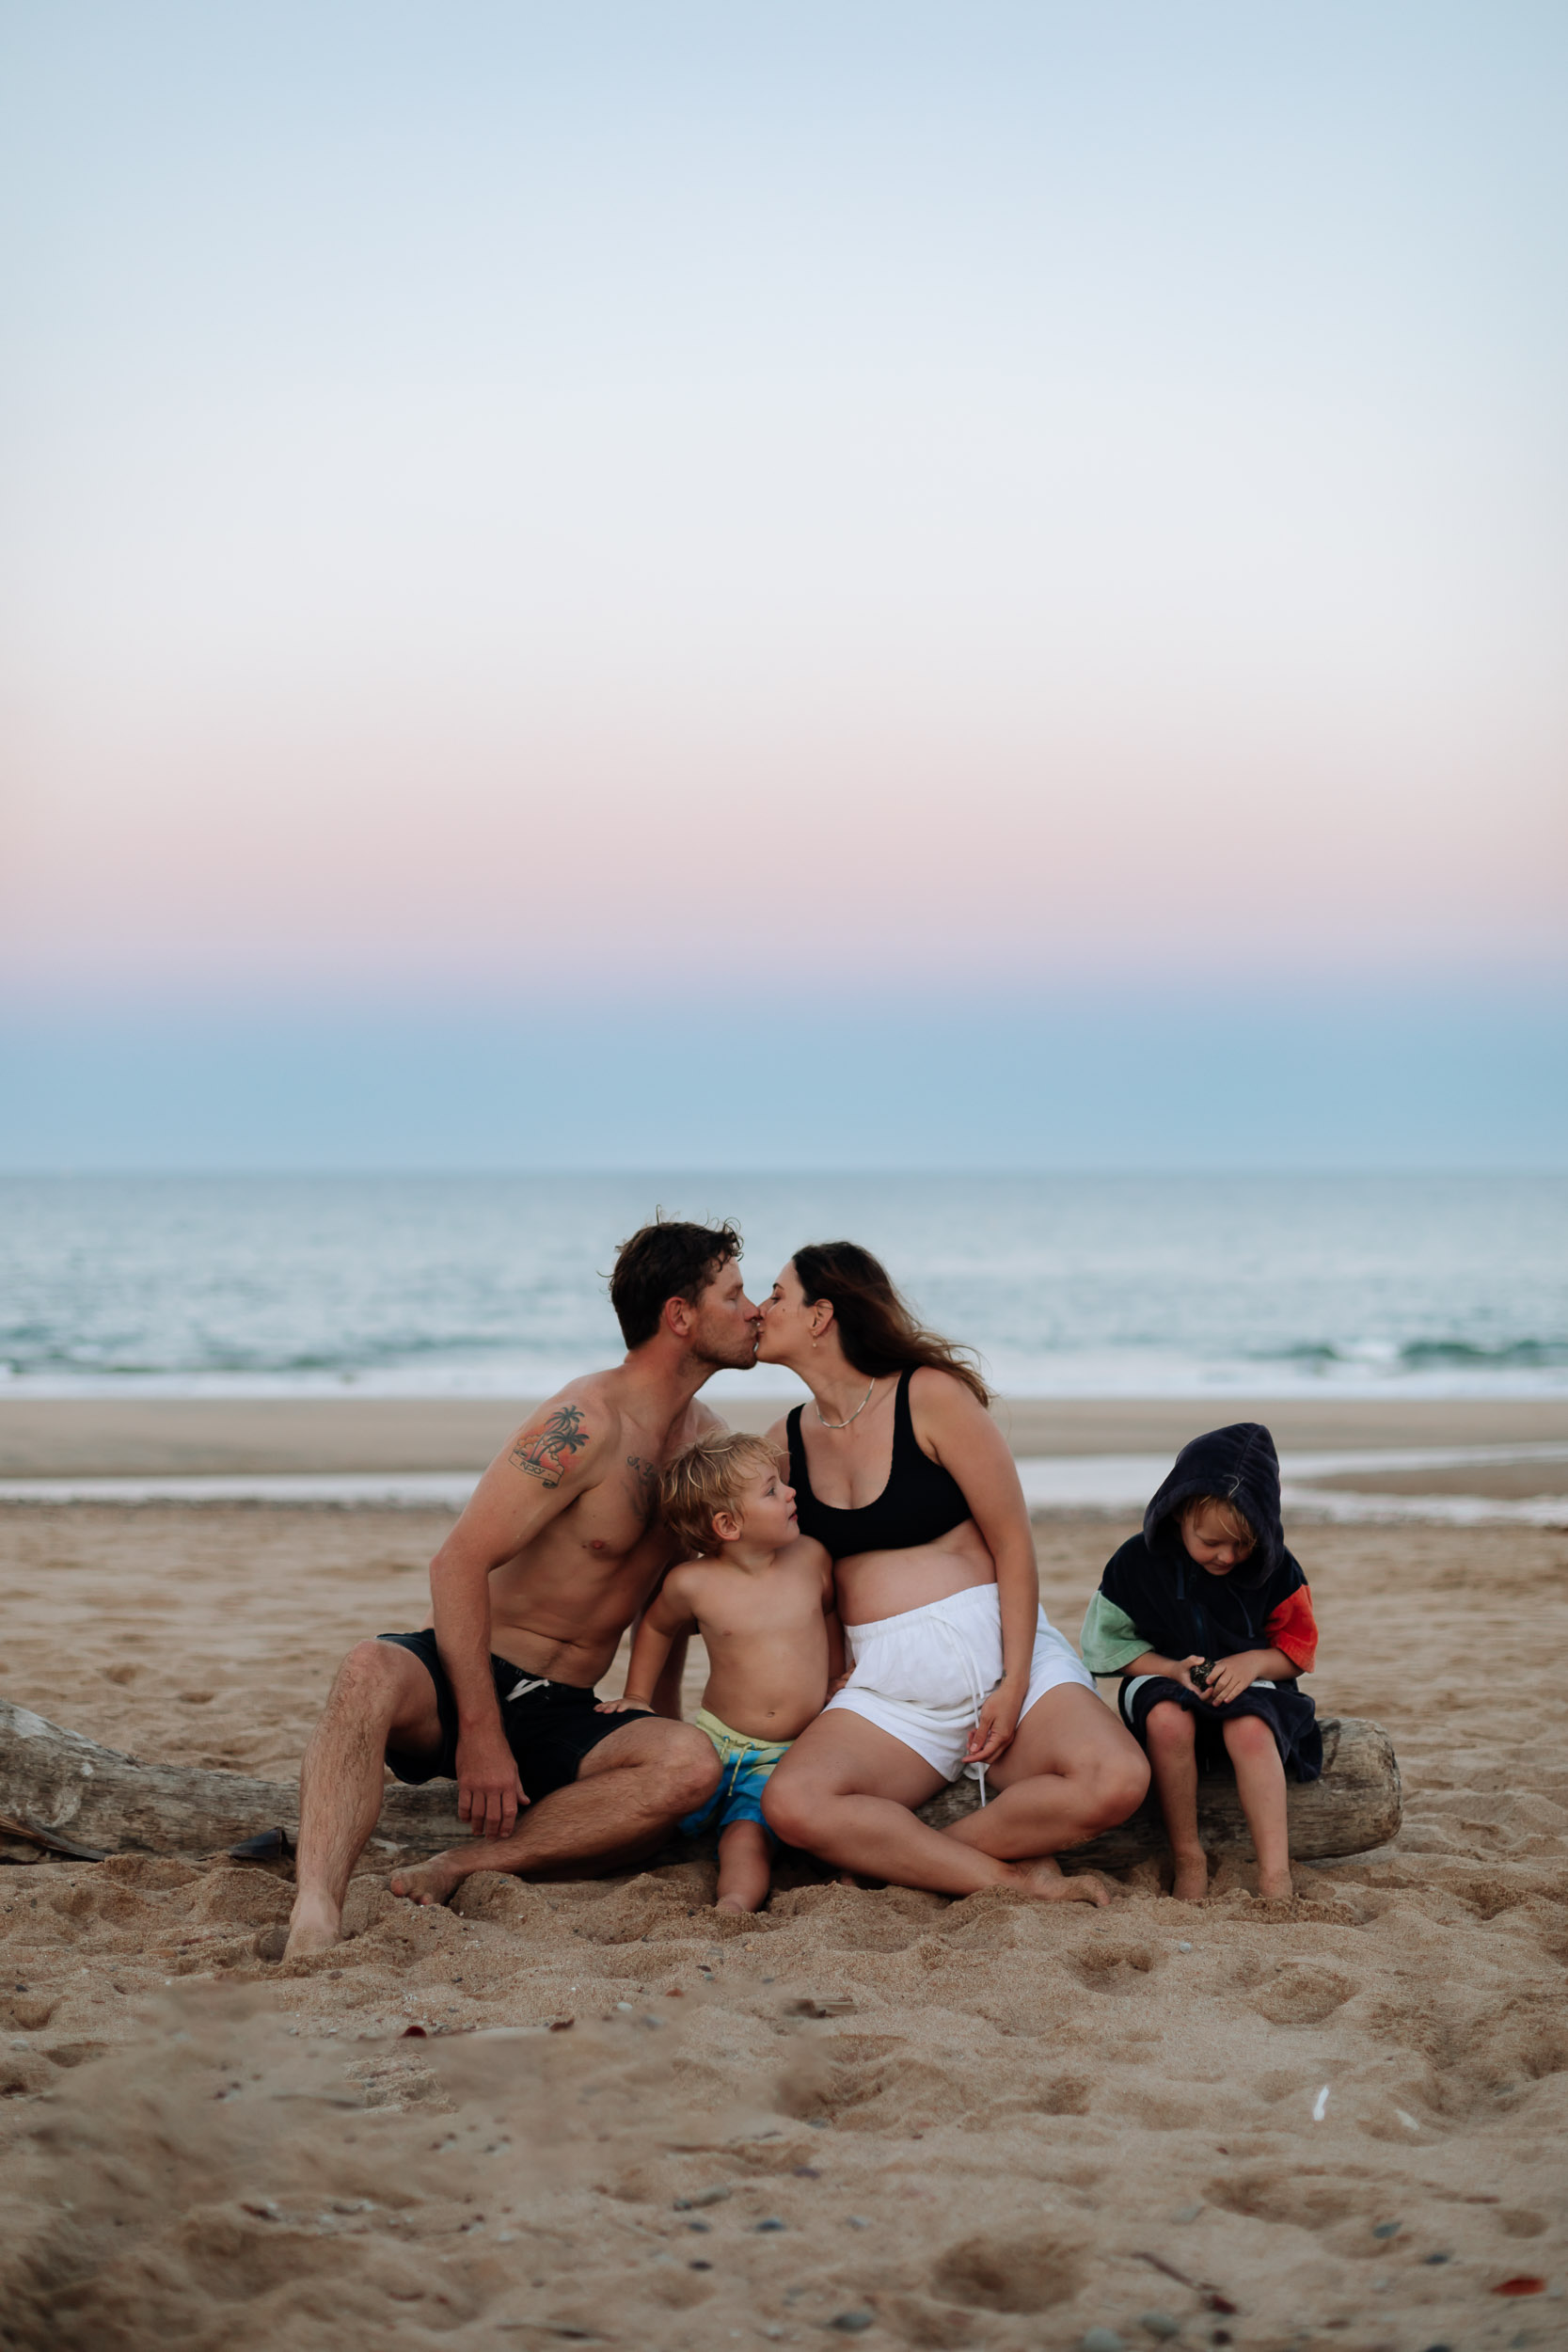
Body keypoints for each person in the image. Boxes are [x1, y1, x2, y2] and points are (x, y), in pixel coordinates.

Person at [281, 1217, 760, 1957]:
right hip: (466, 1673)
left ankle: (461, 1864)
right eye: (735, 1295)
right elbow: (457, 1563)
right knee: (366, 1669)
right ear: (679, 1316)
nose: (755, 1309)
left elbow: (675, 1603)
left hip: (567, 1705)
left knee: (689, 1764)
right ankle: (315, 1911)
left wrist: (650, 1709)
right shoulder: (585, 1421)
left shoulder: (708, 1450)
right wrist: (481, 1737)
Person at [756, 1243, 1149, 1902]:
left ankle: (920, 1859)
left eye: (774, 1295)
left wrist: (1012, 1680)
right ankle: (1013, 1883)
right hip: (889, 1684)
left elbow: (1013, 1546)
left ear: (821, 1315)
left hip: (998, 1650)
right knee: (794, 1804)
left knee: (1114, 1779)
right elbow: (763, 1558)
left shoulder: (930, 1397)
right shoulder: (785, 1441)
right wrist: (827, 1670)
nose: (761, 1310)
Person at [597, 1430, 840, 1914]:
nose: (792, 1492)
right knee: (651, 1821)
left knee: (745, 1836)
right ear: (728, 1524)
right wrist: (638, 1696)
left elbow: (829, 1615)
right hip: (712, 1740)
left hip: (783, 1754)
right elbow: (656, 1629)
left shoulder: (810, 1557)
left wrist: (838, 1678)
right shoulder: (693, 1583)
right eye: (772, 1490)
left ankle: (733, 1904)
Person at [1078, 1422, 1322, 1902]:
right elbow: (1105, 1647)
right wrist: (1169, 1669)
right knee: (1169, 1721)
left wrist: (1253, 1663)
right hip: (1161, 1678)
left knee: (1248, 1730)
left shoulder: (1277, 1568)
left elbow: (1298, 1651)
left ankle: (1276, 1876)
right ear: (1180, 1513)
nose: (1228, 1556)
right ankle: (1189, 1855)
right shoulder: (1136, 1562)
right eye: (1211, 1542)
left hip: (1251, 1682)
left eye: (1243, 1544)